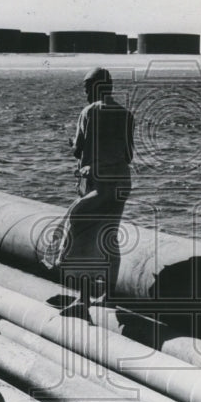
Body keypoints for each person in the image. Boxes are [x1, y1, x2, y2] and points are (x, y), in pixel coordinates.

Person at [44, 68, 135, 304]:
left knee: (81, 235)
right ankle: (108, 295)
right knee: (109, 236)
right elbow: (128, 155)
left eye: (86, 89)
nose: (85, 94)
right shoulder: (126, 114)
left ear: (95, 87)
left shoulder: (89, 112)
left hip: (99, 184)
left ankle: (83, 299)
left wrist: (75, 143)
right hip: (121, 183)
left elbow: (78, 149)